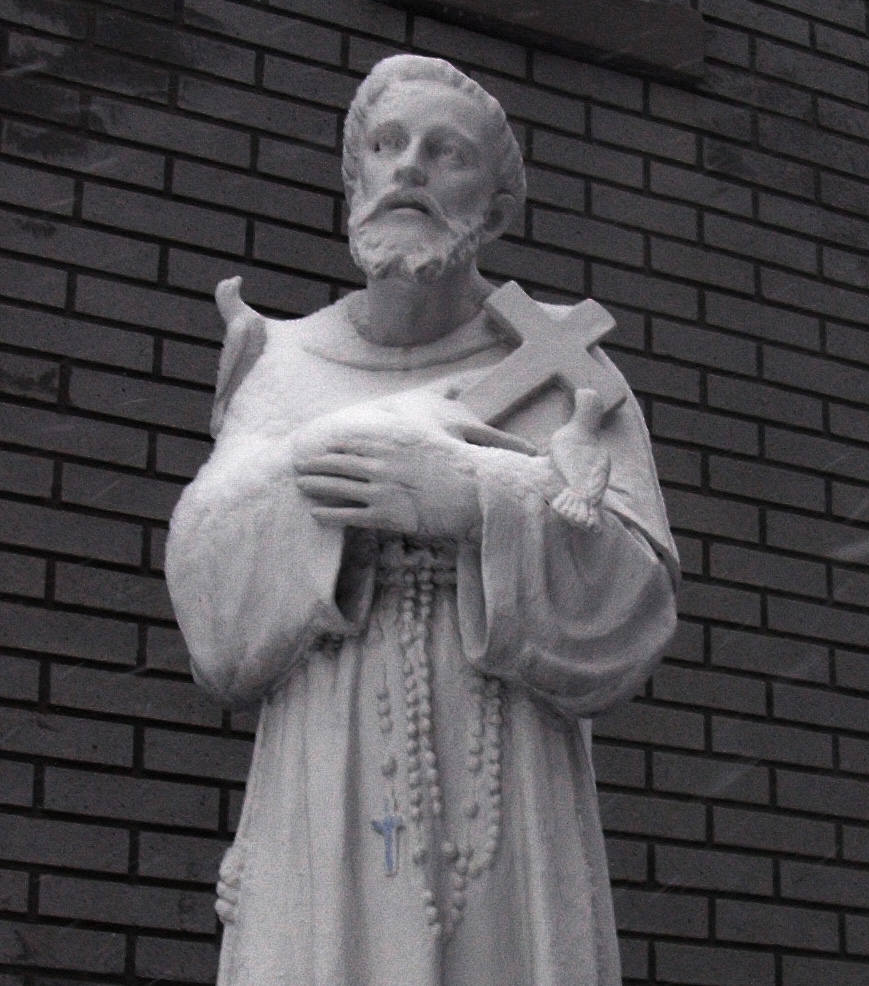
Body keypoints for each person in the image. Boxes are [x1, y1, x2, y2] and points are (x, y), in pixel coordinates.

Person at [166, 54, 679, 986]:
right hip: (324, 778)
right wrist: (353, 460)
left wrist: (475, 497)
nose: (408, 168)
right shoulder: (280, 365)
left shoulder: (565, 366)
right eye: (386, 145)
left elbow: (636, 607)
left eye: (446, 153)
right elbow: (211, 608)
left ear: (494, 203)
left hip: (507, 789)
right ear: (353, 176)